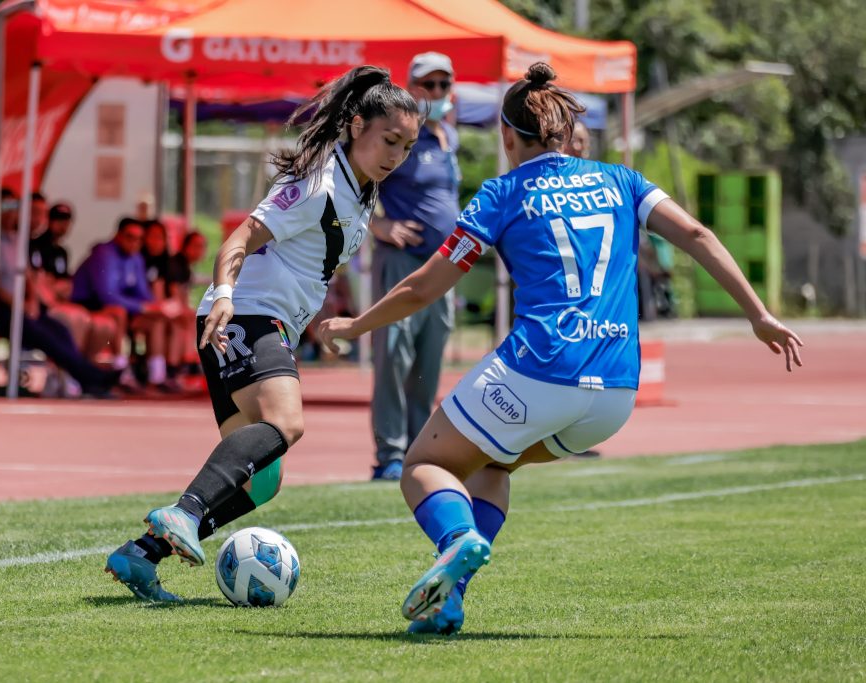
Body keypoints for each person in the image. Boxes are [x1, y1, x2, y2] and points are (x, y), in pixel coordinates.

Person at [318, 63, 804, 635]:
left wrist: (355, 326)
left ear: (506, 136)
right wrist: (760, 315)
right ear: (567, 129)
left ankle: (455, 538)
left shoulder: (502, 193)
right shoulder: (624, 181)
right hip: (617, 393)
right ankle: (448, 599)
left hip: (540, 372)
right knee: (492, 461)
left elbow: (425, 285)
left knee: (424, 464)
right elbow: (697, 236)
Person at [104, 65, 422, 603]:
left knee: (262, 481)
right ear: (354, 124)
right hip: (245, 316)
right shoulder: (318, 183)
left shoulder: (361, 190)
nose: (397, 156)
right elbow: (240, 238)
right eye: (389, 140)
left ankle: (142, 554)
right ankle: (181, 513)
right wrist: (225, 295)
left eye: (408, 147)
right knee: (287, 421)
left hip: (265, 322)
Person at [368, 51, 462, 481]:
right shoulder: (398, 138)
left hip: (442, 267)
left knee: (429, 358)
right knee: (393, 355)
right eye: (429, 85)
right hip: (402, 264)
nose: (438, 93)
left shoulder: (449, 137)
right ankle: (389, 453)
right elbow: (356, 184)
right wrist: (380, 225)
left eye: (444, 85)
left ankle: (417, 450)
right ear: (412, 89)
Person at [0, 188, 120, 396]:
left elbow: (28, 276)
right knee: (47, 333)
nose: (11, 212)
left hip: (26, 306)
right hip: (5, 308)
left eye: (13, 207)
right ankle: (88, 377)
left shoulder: (16, 240)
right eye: (6, 207)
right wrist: (20, 304)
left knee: (60, 330)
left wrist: (32, 301)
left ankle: (85, 376)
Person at [71, 217, 179, 390]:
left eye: (139, 239)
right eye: (130, 237)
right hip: (90, 306)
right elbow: (107, 295)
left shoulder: (136, 258)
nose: (135, 243)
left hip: (125, 310)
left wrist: (157, 308)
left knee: (157, 318)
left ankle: (157, 376)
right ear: (118, 236)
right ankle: (120, 370)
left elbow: (144, 294)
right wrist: (142, 308)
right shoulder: (104, 254)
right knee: (118, 312)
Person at [142, 218, 195, 391]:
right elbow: (155, 295)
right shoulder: (138, 260)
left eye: (160, 237)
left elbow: (173, 294)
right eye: (152, 236)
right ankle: (158, 376)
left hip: (158, 310)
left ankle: (175, 370)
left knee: (183, 320)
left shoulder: (166, 263)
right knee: (163, 321)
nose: (155, 242)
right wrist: (161, 308)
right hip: (141, 312)